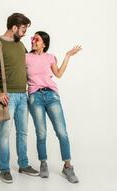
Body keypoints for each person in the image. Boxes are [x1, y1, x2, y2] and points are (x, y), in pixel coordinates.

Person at [0, 13, 39, 184]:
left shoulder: (20, 45)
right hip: (7, 97)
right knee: (5, 133)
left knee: (23, 132)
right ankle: (4, 169)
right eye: (23, 29)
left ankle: (23, 164)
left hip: (23, 95)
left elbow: (27, 66)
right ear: (14, 28)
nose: (24, 33)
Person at [26, 31, 82, 183]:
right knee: (41, 132)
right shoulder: (26, 57)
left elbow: (58, 74)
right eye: (32, 39)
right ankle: (43, 163)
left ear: (43, 43)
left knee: (62, 132)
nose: (33, 41)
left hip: (51, 96)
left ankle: (68, 167)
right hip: (35, 96)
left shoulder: (50, 57)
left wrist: (67, 56)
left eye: (36, 39)